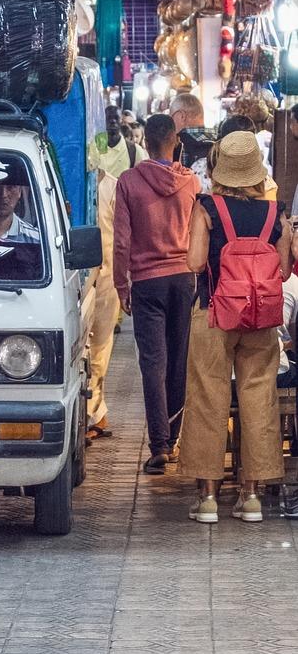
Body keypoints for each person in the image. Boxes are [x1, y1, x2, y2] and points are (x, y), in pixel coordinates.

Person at [179, 131, 292, 523]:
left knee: (207, 396)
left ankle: (208, 497)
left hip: (213, 312)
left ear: (220, 171)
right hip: (260, 318)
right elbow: (283, 268)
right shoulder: (275, 212)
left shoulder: (206, 206)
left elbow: (194, 262)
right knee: (259, 398)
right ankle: (252, 496)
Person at [114, 113, 200, 474]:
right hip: (184, 278)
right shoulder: (192, 183)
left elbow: (121, 242)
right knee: (179, 359)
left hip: (147, 282)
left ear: (144, 143)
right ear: (175, 142)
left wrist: (122, 285)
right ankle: (174, 438)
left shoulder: (129, 182)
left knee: (153, 363)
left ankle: (159, 445)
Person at [87, 172, 119, 440]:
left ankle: (94, 411)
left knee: (99, 349)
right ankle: (92, 412)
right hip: (79, 275)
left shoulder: (112, 186)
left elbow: (122, 234)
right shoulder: (68, 182)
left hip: (108, 276)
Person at [95, 106, 145, 179]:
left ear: (121, 120)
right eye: (109, 118)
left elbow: (141, 182)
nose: (113, 121)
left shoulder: (135, 151)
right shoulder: (93, 148)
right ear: (102, 120)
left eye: (116, 118)